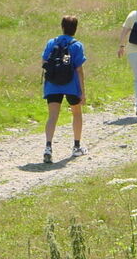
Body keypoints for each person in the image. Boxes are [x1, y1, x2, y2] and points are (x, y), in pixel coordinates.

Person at [41, 15, 87, 163]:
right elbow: (79, 69)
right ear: (75, 28)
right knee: (76, 113)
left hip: (53, 84)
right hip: (71, 84)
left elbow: (44, 61)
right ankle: (76, 146)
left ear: (62, 26)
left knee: (53, 116)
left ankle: (48, 147)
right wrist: (82, 92)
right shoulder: (77, 45)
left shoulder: (51, 42)